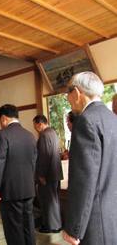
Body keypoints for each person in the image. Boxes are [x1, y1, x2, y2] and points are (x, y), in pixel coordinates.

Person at [62, 71, 117, 245]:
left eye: (68, 94)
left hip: (95, 221)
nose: (68, 100)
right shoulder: (112, 119)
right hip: (112, 214)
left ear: (77, 93)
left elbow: (83, 180)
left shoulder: (86, 121)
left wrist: (73, 229)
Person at [0, 104, 37, 245]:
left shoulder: (2, 135)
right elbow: (34, 162)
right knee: (28, 225)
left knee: (13, 229)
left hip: (11, 191)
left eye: (0, 121)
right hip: (29, 189)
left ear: (4, 118)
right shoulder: (30, 136)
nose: (1, 124)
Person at [33, 115, 63, 233]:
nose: (35, 128)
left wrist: (41, 174)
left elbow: (44, 157)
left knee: (47, 201)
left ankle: (51, 226)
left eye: (35, 125)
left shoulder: (44, 135)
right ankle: (57, 224)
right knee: (54, 200)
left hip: (48, 174)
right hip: (55, 172)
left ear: (40, 124)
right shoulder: (53, 133)